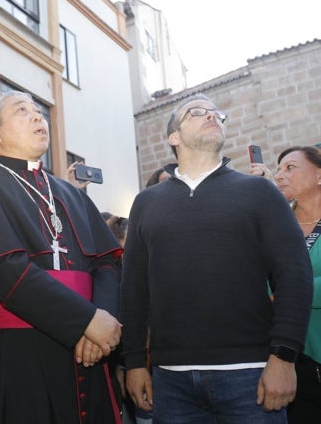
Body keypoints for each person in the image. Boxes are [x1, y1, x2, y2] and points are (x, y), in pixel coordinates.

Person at [0, 91, 124, 424]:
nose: (37, 116)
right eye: (22, 110)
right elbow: (3, 268)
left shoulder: (71, 192)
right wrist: (86, 321)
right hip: (17, 353)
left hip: (91, 347)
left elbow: (105, 263)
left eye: (39, 111)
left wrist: (103, 322)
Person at [121, 93, 314, 423]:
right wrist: (136, 362)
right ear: (174, 137)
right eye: (197, 112)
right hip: (170, 381)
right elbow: (134, 288)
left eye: (216, 113)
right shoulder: (146, 203)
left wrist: (283, 357)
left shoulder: (259, 192)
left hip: (251, 376)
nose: (212, 116)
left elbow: (294, 275)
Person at [272, 146, 321, 423]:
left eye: (290, 168)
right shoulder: (276, 225)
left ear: (319, 175)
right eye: (278, 169)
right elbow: (261, 283)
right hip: (289, 363)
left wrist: (287, 293)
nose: (280, 175)